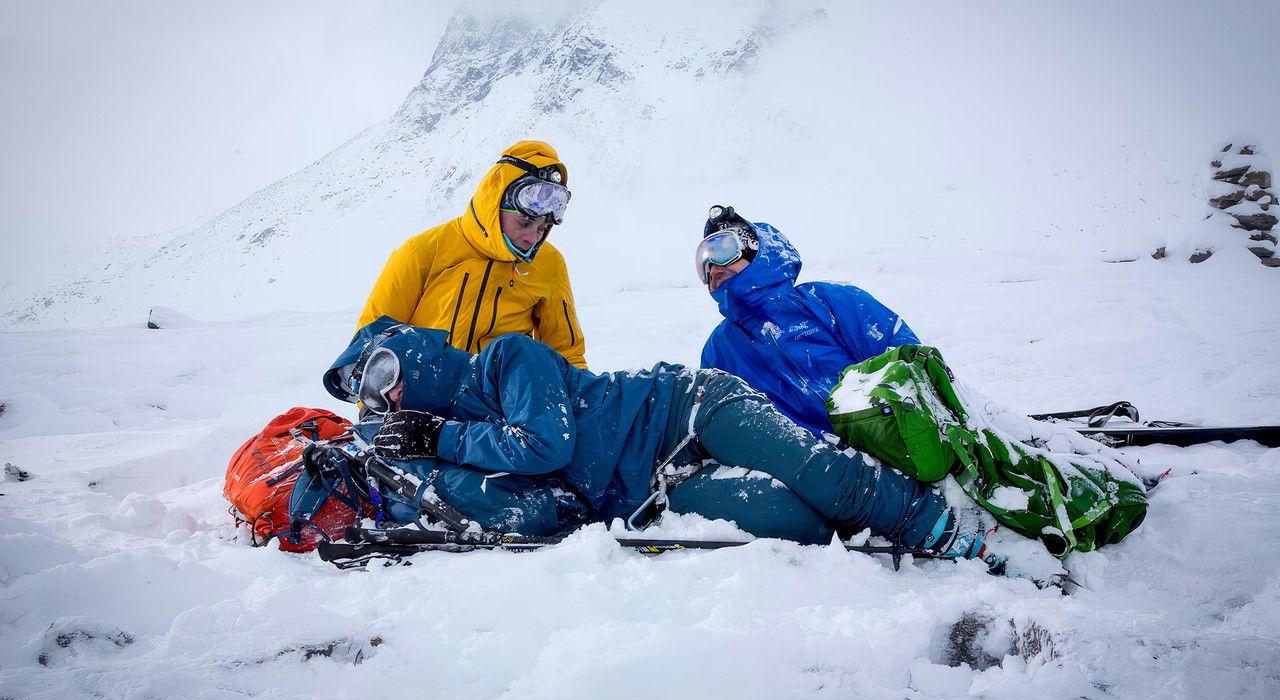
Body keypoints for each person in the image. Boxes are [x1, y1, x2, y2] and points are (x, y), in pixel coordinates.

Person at [322, 317, 1003, 569]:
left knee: (819, 472)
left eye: (387, 372)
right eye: (375, 395)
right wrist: (413, 475)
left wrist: (442, 435)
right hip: (659, 487)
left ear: (416, 353)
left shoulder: (505, 360)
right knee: (797, 523)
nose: (391, 396)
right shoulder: (455, 442)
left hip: (689, 409)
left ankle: (937, 524)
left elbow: (543, 446)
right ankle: (873, 528)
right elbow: (535, 501)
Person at [356, 140, 587, 368]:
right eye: (523, 222)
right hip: (419, 395)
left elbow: (566, 354)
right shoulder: (423, 252)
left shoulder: (549, 264)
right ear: (495, 205)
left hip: (498, 401)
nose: (532, 238)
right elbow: (370, 344)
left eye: (542, 228)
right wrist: (381, 399)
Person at [697, 205, 919, 436]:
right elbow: (717, 422)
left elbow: (908, 364)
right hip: (802, 463)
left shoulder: (830, 301)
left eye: (722, 249)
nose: (712, 268)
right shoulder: (720, 348)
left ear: (756, 249)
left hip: (885, 438)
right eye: (704, 263)